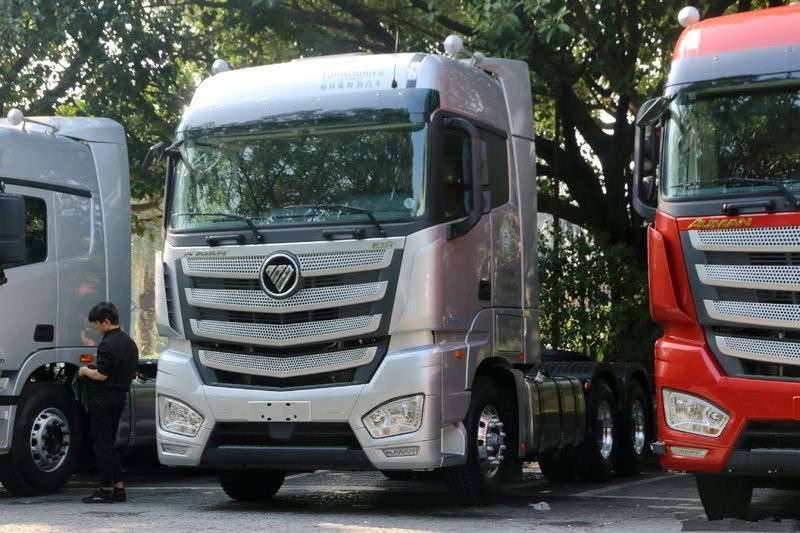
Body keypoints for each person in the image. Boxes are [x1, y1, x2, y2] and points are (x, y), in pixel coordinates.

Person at [78, 301, 139, 504]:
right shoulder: (130, 343)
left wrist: (85, 371)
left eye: (97, 324)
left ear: (106, 321)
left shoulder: (107, 343)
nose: (96, 328)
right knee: (110, 444)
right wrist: (98, 367)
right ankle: (119, 489)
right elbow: (119, 369)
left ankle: (105, 490)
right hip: (120, 397)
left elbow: (102, 375)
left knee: (102, 445)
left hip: (103, 398)